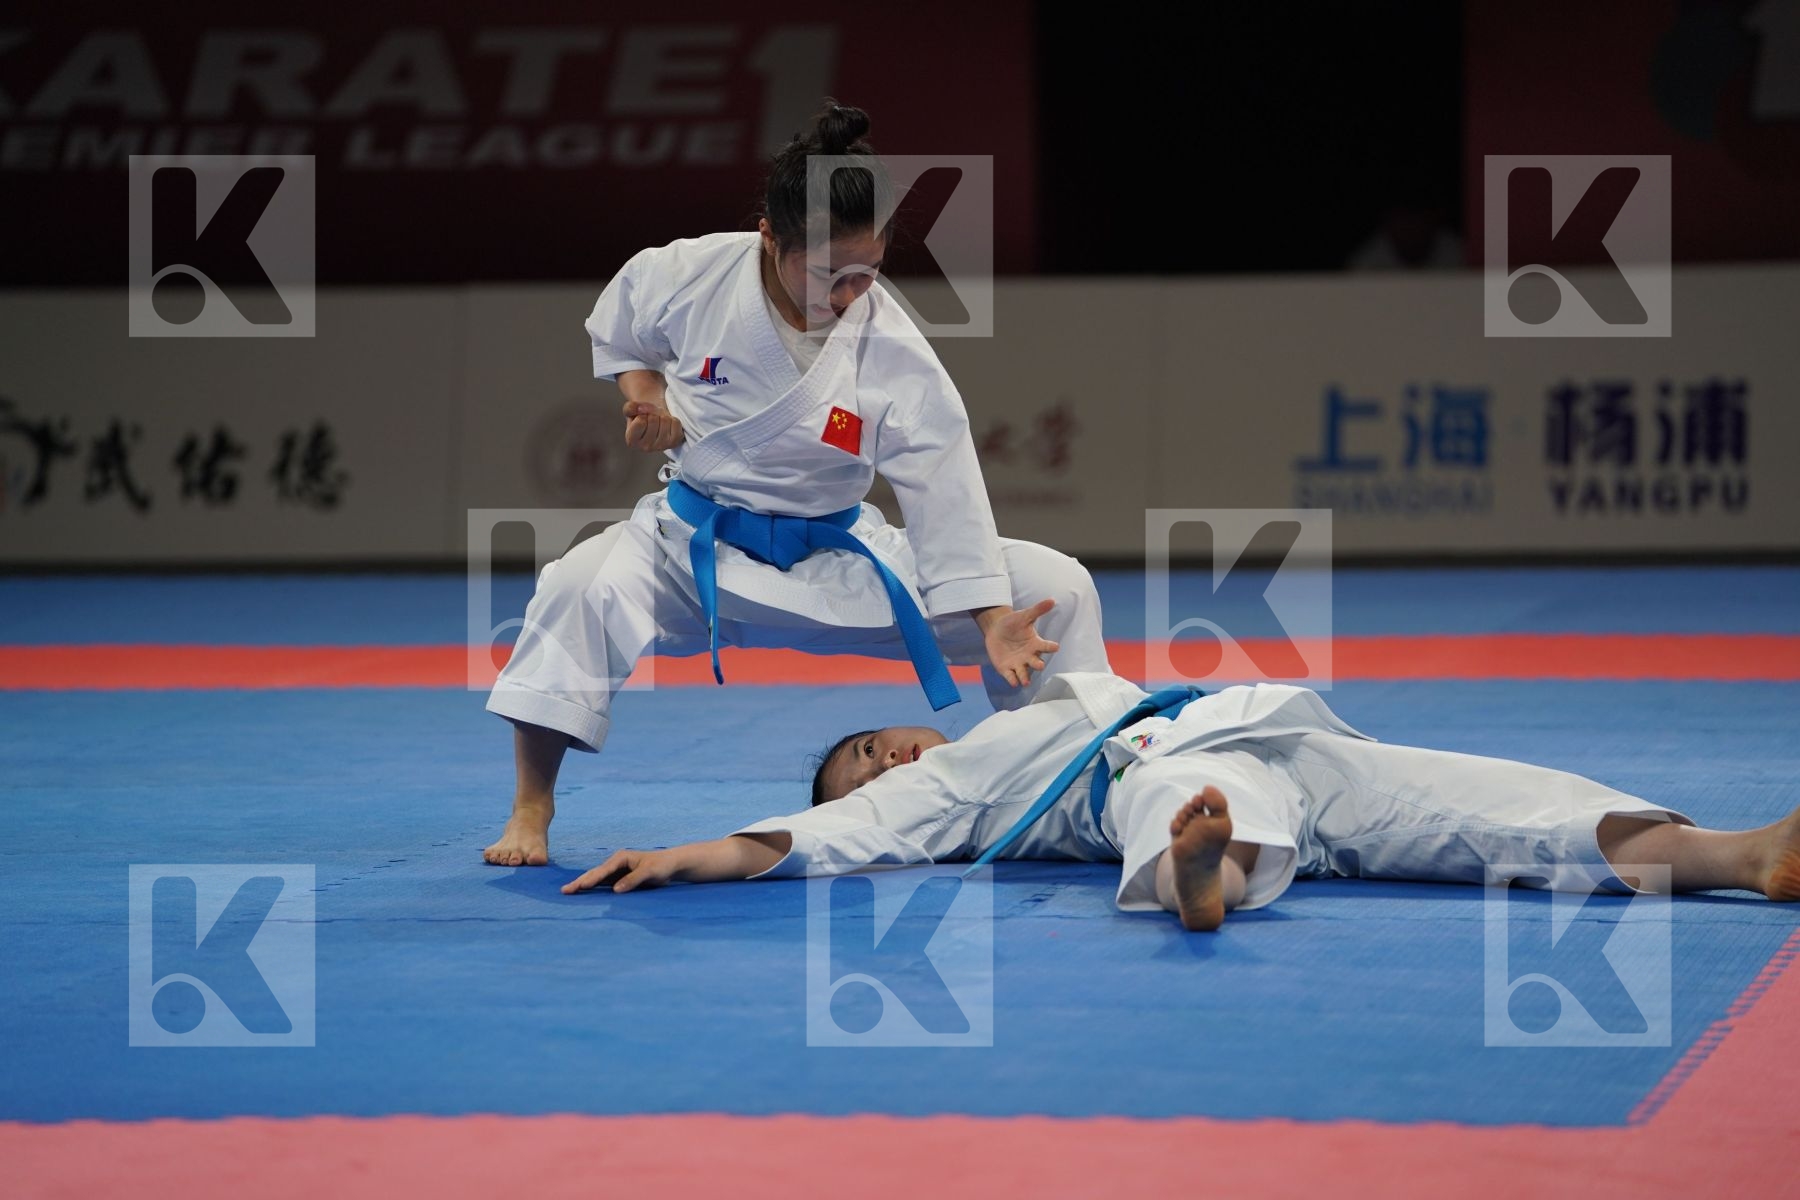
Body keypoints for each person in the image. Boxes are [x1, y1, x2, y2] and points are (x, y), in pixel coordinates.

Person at [484, 102, 1110, 867]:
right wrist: (648, 400)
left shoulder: (888, 342)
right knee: (576, 583)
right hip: (694, 545)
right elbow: (622, 333)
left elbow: (942, 484)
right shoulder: (687, 273)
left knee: (1055, 585)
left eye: (865, 274)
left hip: (838, 554)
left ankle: (1072, 785)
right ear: (770, 238)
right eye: (827, 275)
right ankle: (532, 806)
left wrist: (989, 616)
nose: (847, 296)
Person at [561, 672, 1800, 932]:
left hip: (1288, 742)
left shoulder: (1026, 702)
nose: (881, 763)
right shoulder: (949, 786)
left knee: (1509, 805)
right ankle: (1198, 879)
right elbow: (831, 836)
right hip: (1157, 776)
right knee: (1174, 799)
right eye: (863, 768)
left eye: (876, 743)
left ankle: (1745, 856)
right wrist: (687, 854)